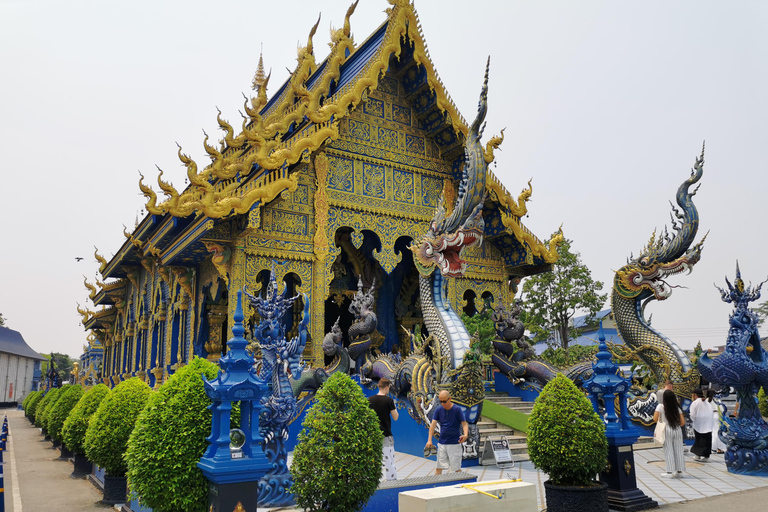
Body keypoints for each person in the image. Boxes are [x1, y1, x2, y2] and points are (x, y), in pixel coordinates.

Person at [425, 390, 468, 475]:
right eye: (440, 401)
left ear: (450, 399)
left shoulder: (457, 409)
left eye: (444, 401)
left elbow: (464, 424)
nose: (442, 403)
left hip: (455, 443)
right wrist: (429, 440)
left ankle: (461, 484)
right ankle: (436, 486)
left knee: (456, 469)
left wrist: (466, 435)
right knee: (438, 467)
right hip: (442, 443)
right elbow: (433, 425)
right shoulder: (439, 410)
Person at [368, 378, 399, 480]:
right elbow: (396, 417)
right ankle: (392, 483)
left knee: (374, 462)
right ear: (386, 387)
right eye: (389, 388)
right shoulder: (389, 401)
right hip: (386, 435)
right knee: (389, 462)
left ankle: (374, 483)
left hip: (373, 436)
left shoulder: (370, 400)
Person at [654, 389, 686, 477]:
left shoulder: (660, 406)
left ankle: (669, 472)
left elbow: (655, 419)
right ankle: (680, 472)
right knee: (678, 450)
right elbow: (683, 422)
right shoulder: (677, 407)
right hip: (677, 429)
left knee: (668, 450)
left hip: (666, 429)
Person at [689, 387, 714, 461]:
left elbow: (692, 414)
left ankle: (698, 455)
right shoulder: (707, 403)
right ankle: (706, 456)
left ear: (695, 395)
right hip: (708, 424)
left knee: (699, 440)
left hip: (699, 424)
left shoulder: (695, 403)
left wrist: (693, 419)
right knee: (707, 440)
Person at [708, 389, 727, 454]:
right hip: (717, 415)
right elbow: (721, 408)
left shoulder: (707, 400)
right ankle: (716, 447)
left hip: (710, 415)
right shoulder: (717, 399)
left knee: (712, 431)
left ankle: (713, 447)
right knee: (717, 431)